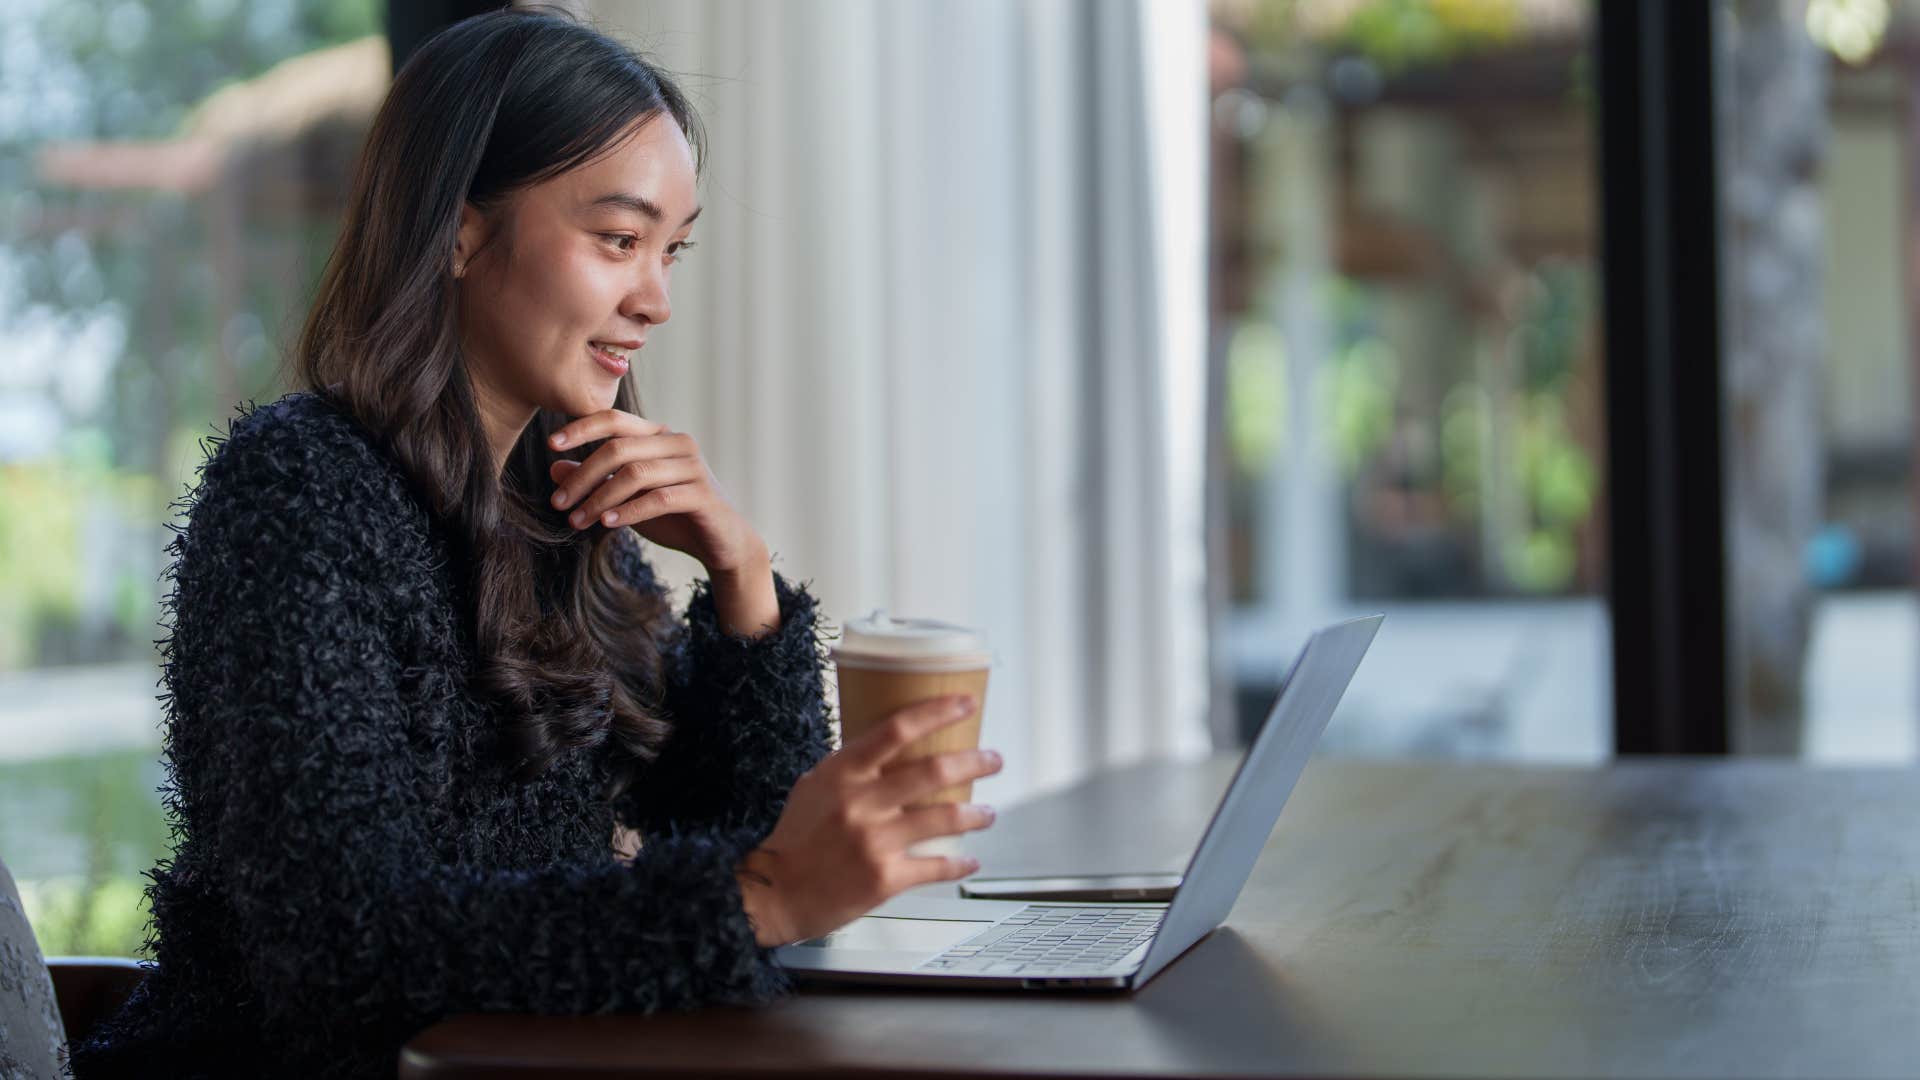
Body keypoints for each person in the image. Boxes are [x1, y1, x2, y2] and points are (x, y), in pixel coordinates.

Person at [68, 8, 1002, 1078]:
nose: (653, 298)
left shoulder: (565, 507)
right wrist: (772, 891)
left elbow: (741, 851)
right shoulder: (298, 495)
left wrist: (741, 582)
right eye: (618, 239)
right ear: (461, 231)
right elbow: (347, 957)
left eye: (672, 250)